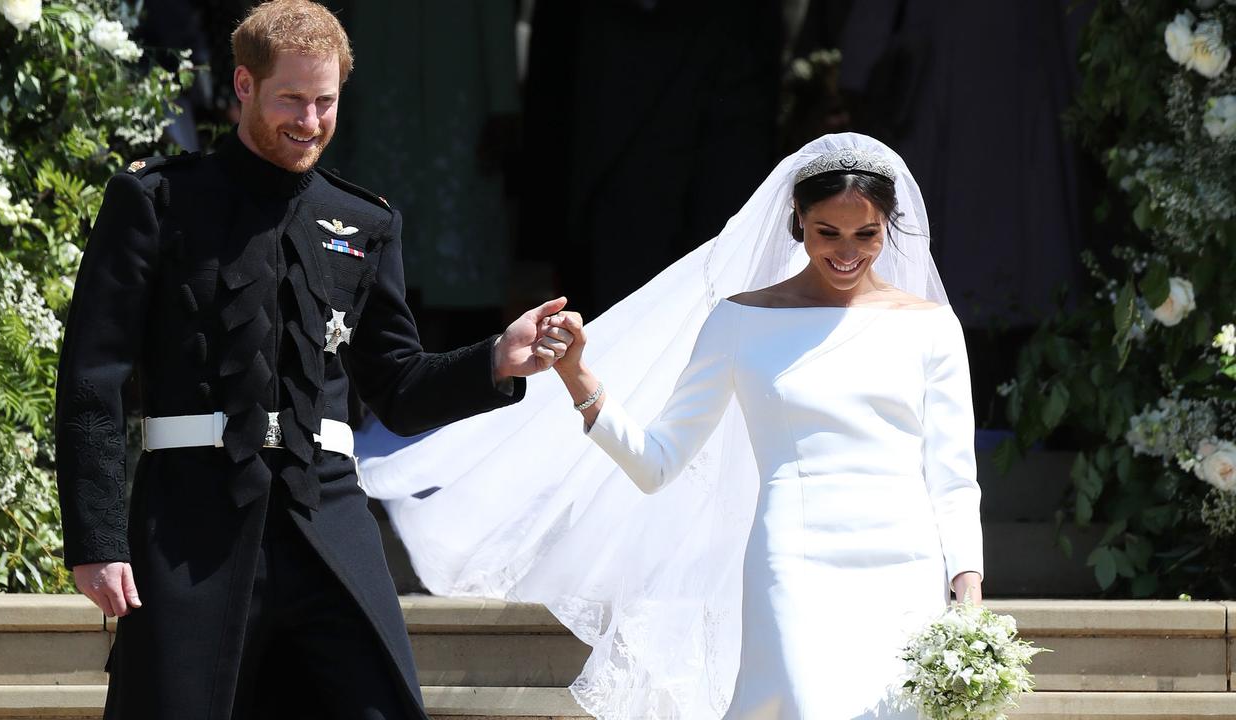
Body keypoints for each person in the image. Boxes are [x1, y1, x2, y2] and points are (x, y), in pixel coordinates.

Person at [53, 2, 568, 718]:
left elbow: (397, 385)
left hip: (327, 515)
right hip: (190, 521)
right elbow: (91, 383)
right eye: (291, 99)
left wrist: (495, 361)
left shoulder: (366, 221)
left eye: (325, 102)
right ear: (243, 84)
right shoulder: (156, 201)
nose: (310, 121)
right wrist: (97, 539)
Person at [360, 133, 983, 719]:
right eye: (828, 232)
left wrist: (968, 593)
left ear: (889, 228)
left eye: (866, 235)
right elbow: (659, 461)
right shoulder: (741, 321)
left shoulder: (930, 326)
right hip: (796, 562)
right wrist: (578, 377)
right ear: (798, 218)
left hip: (905, 564)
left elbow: (953, 479)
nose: (847, 253)